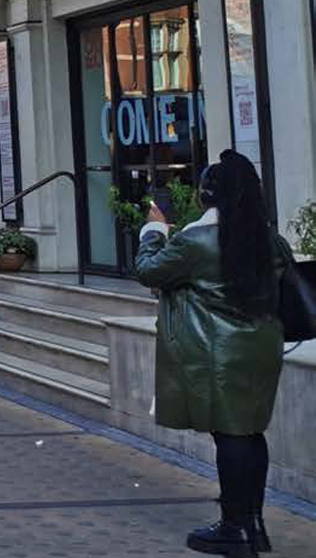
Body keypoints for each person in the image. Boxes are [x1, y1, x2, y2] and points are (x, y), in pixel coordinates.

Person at [135, 151, 291, 557]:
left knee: (231, 436)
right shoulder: (270, 240)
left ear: (208, 196)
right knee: (251, 433)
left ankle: (234, 529)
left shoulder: (197, 242)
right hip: (262, 350)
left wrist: (153, 231)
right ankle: (252, 524)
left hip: (218, 353)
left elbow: (149, 271)